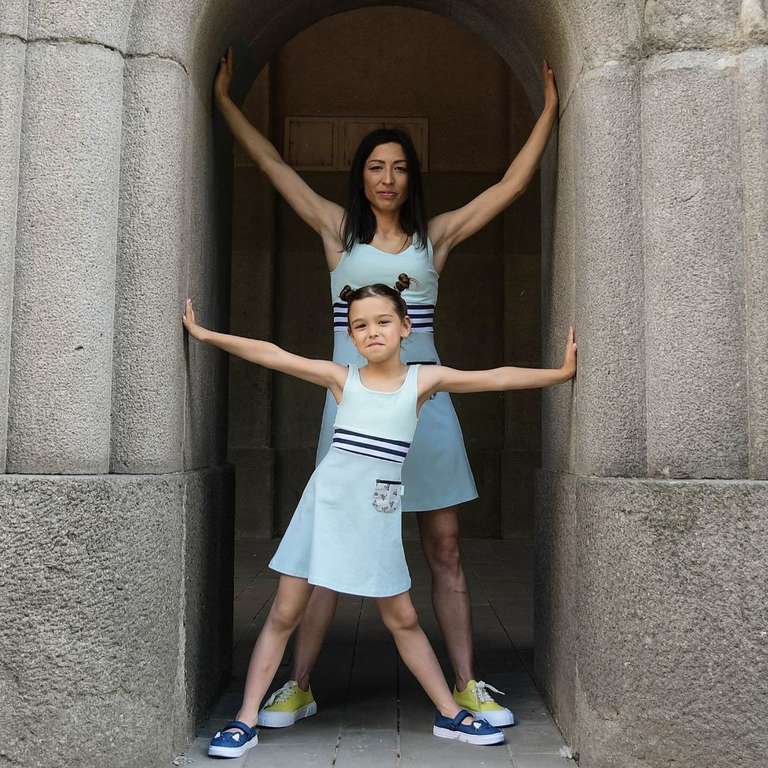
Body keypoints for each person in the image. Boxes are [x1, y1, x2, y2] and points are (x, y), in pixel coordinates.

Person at [214, 47, 559, 728]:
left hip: (426, 410)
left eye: (399, 167)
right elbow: (273, 166)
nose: (388, 178)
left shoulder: (436, 238)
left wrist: (547, 109)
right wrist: (226, 102)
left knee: (445, 548)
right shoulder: (336, 233)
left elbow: (511, 186)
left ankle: (465, 683)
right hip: (350, 409)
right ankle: (299, 684)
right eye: (376, 166)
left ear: (411, 177)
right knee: (328, 548)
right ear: (361, 175)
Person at [182, 278, 576, 758]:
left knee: (403, 617)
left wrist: (559, 374)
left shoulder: (423, 381)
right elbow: (272, 354)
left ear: (407, 326)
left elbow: (495, 377)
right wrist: (205, 335)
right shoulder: (341, 378)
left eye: (383, 321)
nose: (372, 332)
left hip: (377, 510)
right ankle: (245, 720)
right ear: (350, 336)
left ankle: (449, 713)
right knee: (284, 613)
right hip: (325, 506)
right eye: (360, 325)